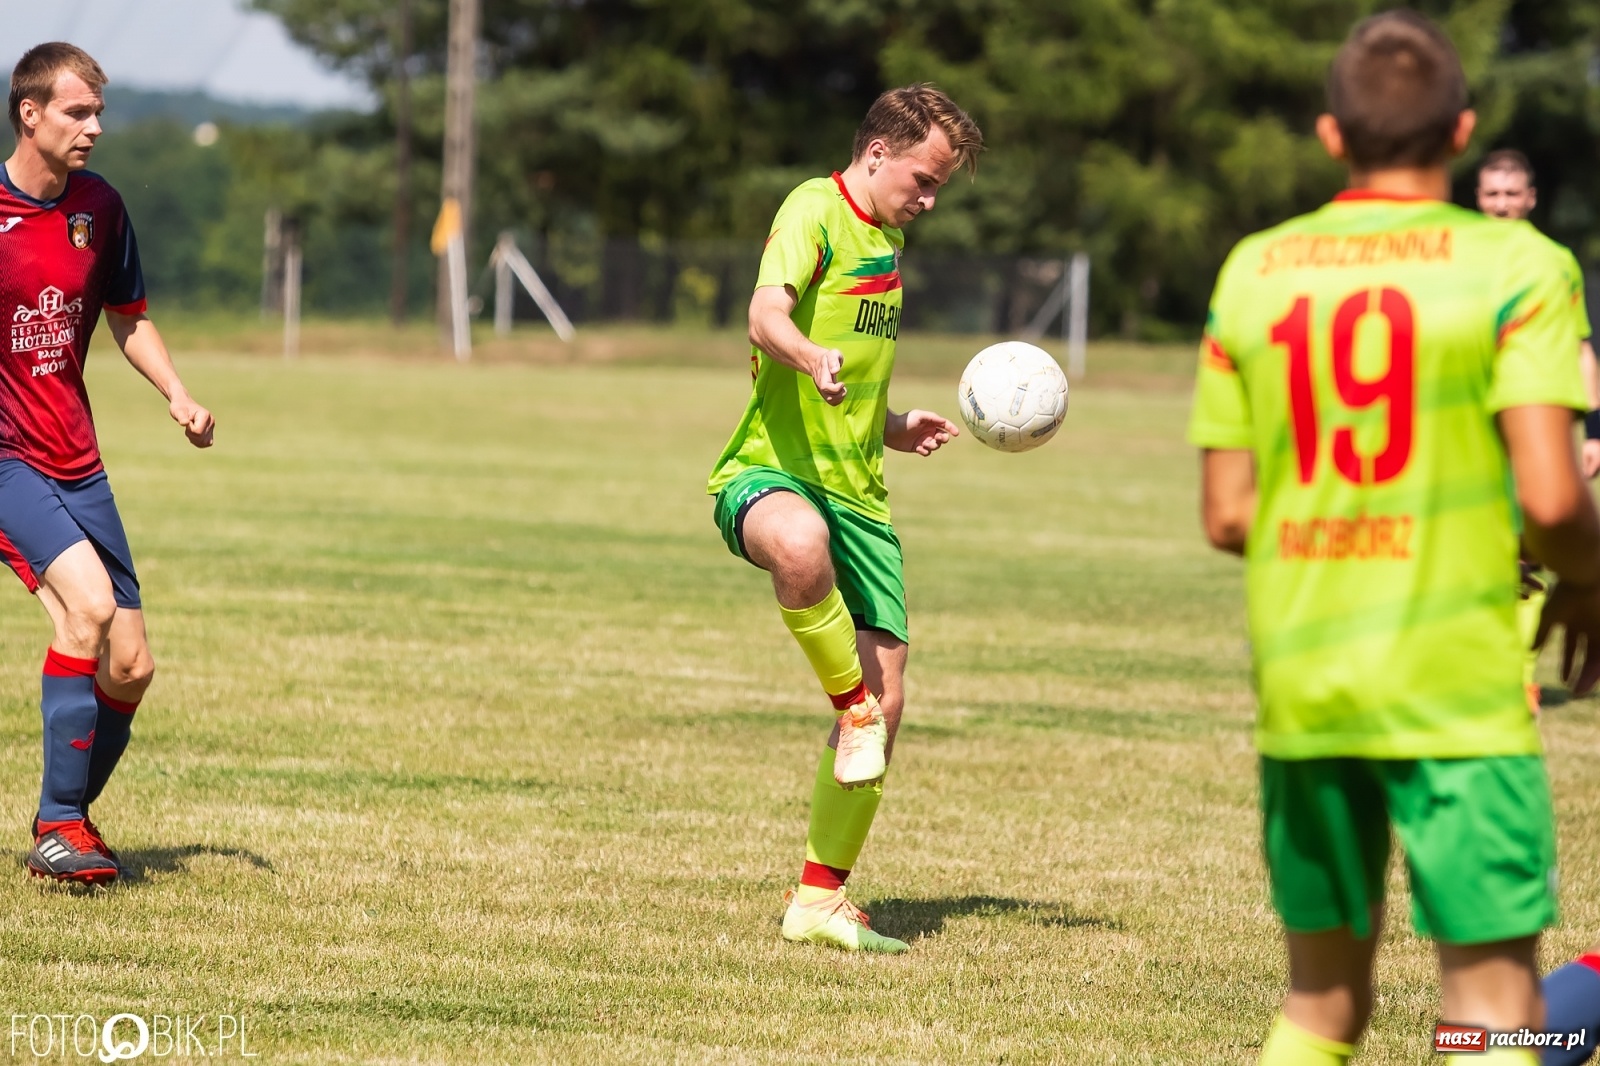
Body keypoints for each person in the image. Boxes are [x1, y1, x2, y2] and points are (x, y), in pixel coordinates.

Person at [1188, 11, 1600, 1065]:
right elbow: (1554, 504)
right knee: (1498, 1010)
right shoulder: (1520, 265)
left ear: (1331, 137)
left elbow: (1227, 514)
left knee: (1320, 1008)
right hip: (1456, 687)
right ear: (1462, 133)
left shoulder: (1253, 269)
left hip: (1307, 678)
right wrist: (1590, 581)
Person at [706, 84, 981, 953]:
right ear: (876, 154)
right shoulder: (813, 210)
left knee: (894, 700)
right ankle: (848, 709)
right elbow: (764, 314)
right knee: (798, 541)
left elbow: (855, 373)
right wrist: (804, 351)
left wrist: (894, 426)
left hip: (861, 492)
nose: (929, 199)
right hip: (771, 472)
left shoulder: (887, 241)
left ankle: (820, 901)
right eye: (924, 178)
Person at [1, 42, 215, 885]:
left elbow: (130, 317)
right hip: (8, 457)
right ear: (30, 114)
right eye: (76, 112)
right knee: (85, 611)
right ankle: (60, 830)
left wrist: (177, 393)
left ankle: (64, 820)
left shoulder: (101, 207)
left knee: (130, 665)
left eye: (98, 113)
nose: (94, 128)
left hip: (75, 458)